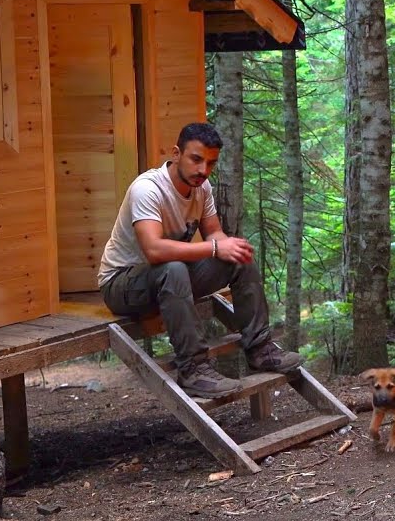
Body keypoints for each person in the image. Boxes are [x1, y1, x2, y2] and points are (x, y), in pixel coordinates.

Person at [98, 122, 303, 398]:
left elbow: (213, 233)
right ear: (176, 153)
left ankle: (260, 348)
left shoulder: (202, 188)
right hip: (122, 285)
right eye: (196, 159)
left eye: (210, 163)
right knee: (171, 267)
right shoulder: (147, 189)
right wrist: (215, 249)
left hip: (169, 278)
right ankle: (193, 369)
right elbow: (154, 251)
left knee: (239, 257)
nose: (203, 170)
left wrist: (227, 248)